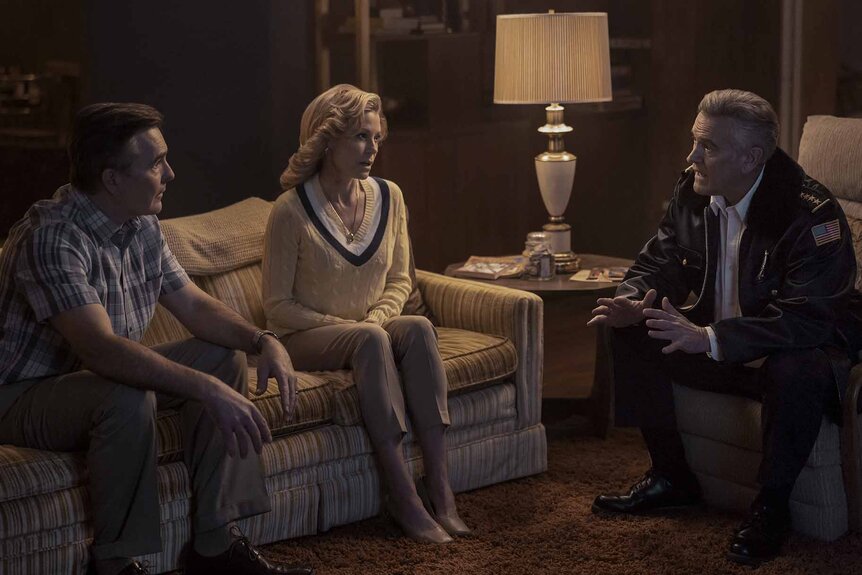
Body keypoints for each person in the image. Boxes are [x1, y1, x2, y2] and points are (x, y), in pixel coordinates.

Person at [0, 103, 314, 575]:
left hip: (86, 383)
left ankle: (215, 546)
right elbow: (101, 350)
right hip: (19, 395)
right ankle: (115, 563)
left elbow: (193, 305)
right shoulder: (52, 238)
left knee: (222, 358)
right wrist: (206, 390)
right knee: (127, 396)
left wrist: (262, 340)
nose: (170, 173)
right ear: (112, 179)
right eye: (155, 164)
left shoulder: (141, 223)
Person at [587, 89, 856, 566]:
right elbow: (659, 262)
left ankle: (771, 509)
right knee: (631, 327)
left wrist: (708, 338)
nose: (691, 157)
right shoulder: (693, 192)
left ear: (752, 158)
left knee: (798, 367)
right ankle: (671, 478)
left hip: (782, 353)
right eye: (694, 142)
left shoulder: (811, 215)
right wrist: (631, 300)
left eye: (707, 146)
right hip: (719, 347)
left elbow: (807, 319)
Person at [262, 84, 470, 545]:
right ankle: (403, 497)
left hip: (369, 327)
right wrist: (356, 329)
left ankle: (441, 491)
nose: (372, 149)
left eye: (376, 137)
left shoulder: (390, 196)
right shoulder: (290, 211)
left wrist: (377, 317)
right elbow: (278, 307)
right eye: (360, 137)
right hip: (303, 336)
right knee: (372, 340)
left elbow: (400, 279)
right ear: (326, 141)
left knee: (417, 327)